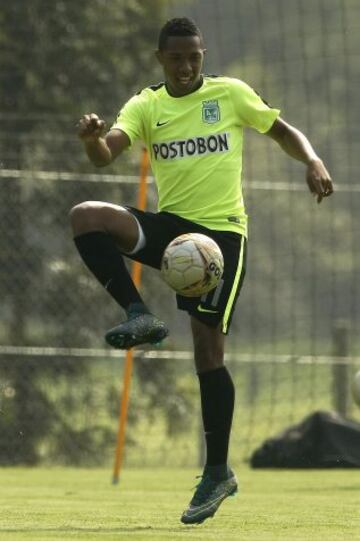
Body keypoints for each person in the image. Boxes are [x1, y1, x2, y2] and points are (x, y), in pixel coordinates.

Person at [71, 17, 333, 525]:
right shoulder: (148, 105)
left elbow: (282, 130)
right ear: (160, 60)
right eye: (177, 58)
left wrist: (312, 159)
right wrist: (91, 139)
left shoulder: (230, 94)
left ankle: (217, 472)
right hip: (172, 233)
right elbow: (106, 157)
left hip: (220, 240)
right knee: (86, 216)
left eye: (195, 57)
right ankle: (137, 314)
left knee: (208, 353)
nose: (187, 66)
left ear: (203, 55)